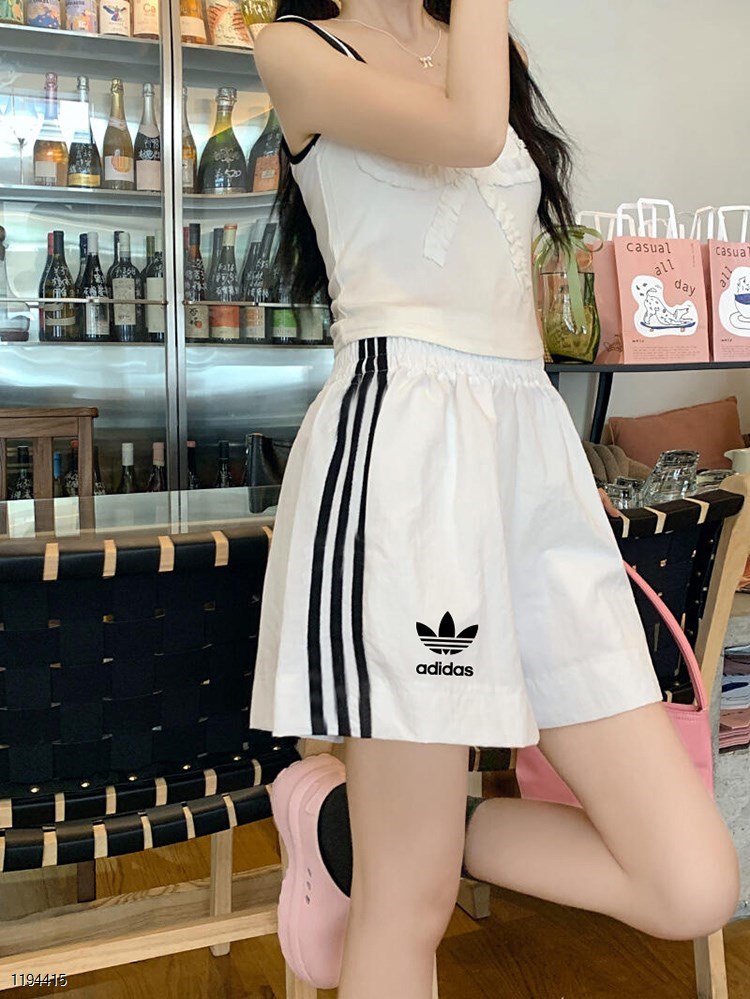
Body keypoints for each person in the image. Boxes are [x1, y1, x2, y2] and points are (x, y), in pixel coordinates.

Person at [247, 2, 741, 996]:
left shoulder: (485, 47)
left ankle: (351, 825)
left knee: (691, 883)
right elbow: (471, 132)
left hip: (529, 459)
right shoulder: (296, 48)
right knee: (409, 903)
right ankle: (394, 844)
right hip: (402, 462)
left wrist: (542, 471)